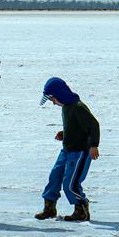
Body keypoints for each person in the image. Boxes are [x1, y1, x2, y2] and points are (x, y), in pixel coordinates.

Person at [35, 77, 100, 222]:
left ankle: (81, 209)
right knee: (54, 177)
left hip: (80, 152)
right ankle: (49, 208)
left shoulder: (78, 107)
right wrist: (65, 134)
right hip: (67, 149)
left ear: (60, 94)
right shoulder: (66, 107)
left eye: (52, 99)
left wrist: (94, 145)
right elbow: (76, 127)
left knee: (70, 183)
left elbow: (93, 125)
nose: (52, 102)